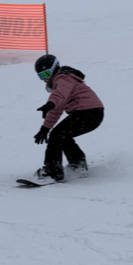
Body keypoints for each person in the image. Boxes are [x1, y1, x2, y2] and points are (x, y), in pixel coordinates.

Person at [34, 54, 104, 182]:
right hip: (93, 114)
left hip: (88, 113)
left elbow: (59, 94)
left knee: (57, 135)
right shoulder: (63, 79)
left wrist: (51, 103)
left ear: (55, 68)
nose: (45, 79)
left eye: (46, 74)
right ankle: (77, 165)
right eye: (41, 76)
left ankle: (52, 171)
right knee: (62, 135)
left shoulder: (63, 78)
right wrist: (44, 129)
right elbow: (57, 110)